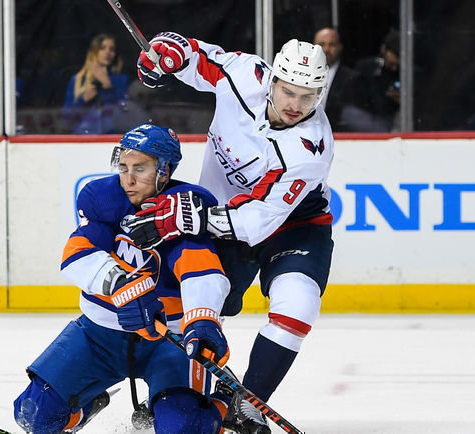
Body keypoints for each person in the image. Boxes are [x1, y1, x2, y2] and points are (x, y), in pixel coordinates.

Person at [130, 32, 335, 433]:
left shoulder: (311, 147)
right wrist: (167, 55)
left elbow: (257, 219)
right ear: (272, 79)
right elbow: (196, 57)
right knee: (194, 307)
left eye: (308, 97)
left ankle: (249, 401)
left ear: (320, 95)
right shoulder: (245, 74)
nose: (295, 105)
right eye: (288, 91)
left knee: (299, 303)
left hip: (294, 226)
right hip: (220, 216)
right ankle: (173, 390)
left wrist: (189, 217)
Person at [13, 124, 234, 433]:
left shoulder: (182, 209)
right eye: (124, 167)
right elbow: (78, 252)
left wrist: (203, 318)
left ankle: (225, 399)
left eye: (140, 169)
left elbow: (200, 269)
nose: (128, 179)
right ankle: (87, 406)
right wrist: (121, 283)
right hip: (98, 335)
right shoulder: (102, 198)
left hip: (168, 341)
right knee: (32, 413)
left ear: (165, 171)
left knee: (181, 427)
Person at [63, 34, 130, 134]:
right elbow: (66, 118)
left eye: (112, 49)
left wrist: (107, 86)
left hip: (112, 136)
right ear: (94, 52)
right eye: (102, 48)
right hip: (83, 138)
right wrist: (83, 100)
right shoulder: (78, 79)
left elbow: (126, 112)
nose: (108, 52)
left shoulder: (120, 79)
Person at [342, 28, 401, 132]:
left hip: (392, 119)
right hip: (367, 116)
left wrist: (401, 100)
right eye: (392, 64)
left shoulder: (407, 73)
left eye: (397, 65)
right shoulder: (366, 68)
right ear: (384, 50)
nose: (394, 69)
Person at [313, 27, 357, 131]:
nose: (326, 49)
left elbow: (352, 118)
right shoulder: (301, 76)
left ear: (340, 47)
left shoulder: (352, 79)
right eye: (321, 45)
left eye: (332, 44)